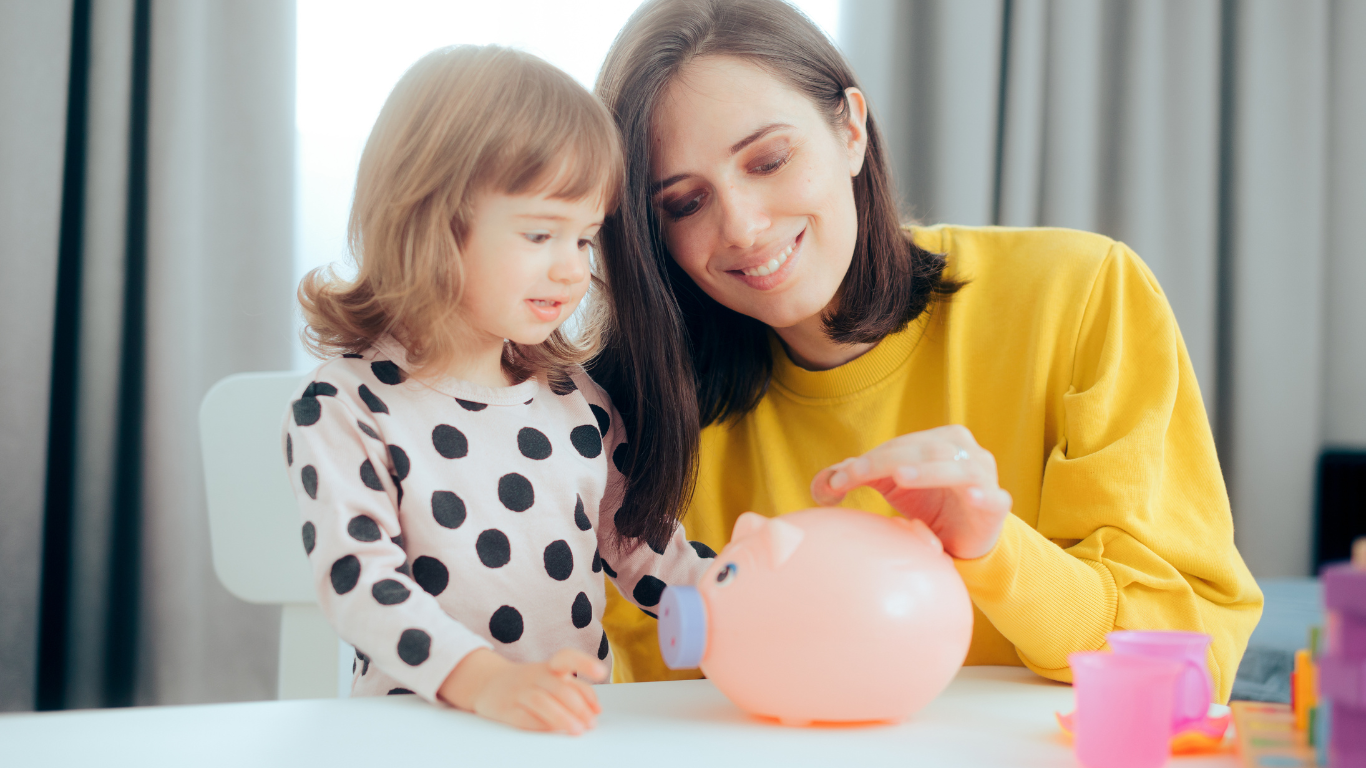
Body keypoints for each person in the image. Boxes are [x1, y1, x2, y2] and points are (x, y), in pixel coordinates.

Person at [589, 0, 1263, 702]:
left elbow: (1188, 655)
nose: (744, 227)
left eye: (769, 160)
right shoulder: (631, 416)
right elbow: (631, 698)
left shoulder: (1082, 294)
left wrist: (995, 551)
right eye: (684, 203)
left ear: (850, 129)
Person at [284, 45, 712, 734]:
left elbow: (639, 546)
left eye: (585, 240)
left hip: (562, 728)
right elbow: (359, 580)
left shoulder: (575, 401)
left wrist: (735, 600)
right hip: (416, 733)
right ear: (430, 222)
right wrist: (484, 682)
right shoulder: (347, 406)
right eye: (542, 233)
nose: (573, 270)